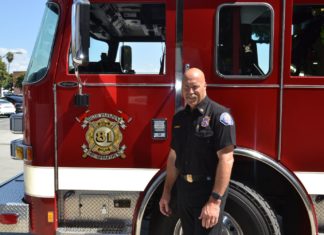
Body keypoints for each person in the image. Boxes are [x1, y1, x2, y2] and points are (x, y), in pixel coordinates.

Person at [159, 67, 236, 235]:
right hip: (184, 191)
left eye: (195, 87)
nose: (190, 92)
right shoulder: (179, 118)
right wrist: (166, 193)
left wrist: (214, 201)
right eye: (186, 87)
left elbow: (226, 159)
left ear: (205, 86)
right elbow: (174, 157)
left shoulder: (220, 116)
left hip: (207, 191)